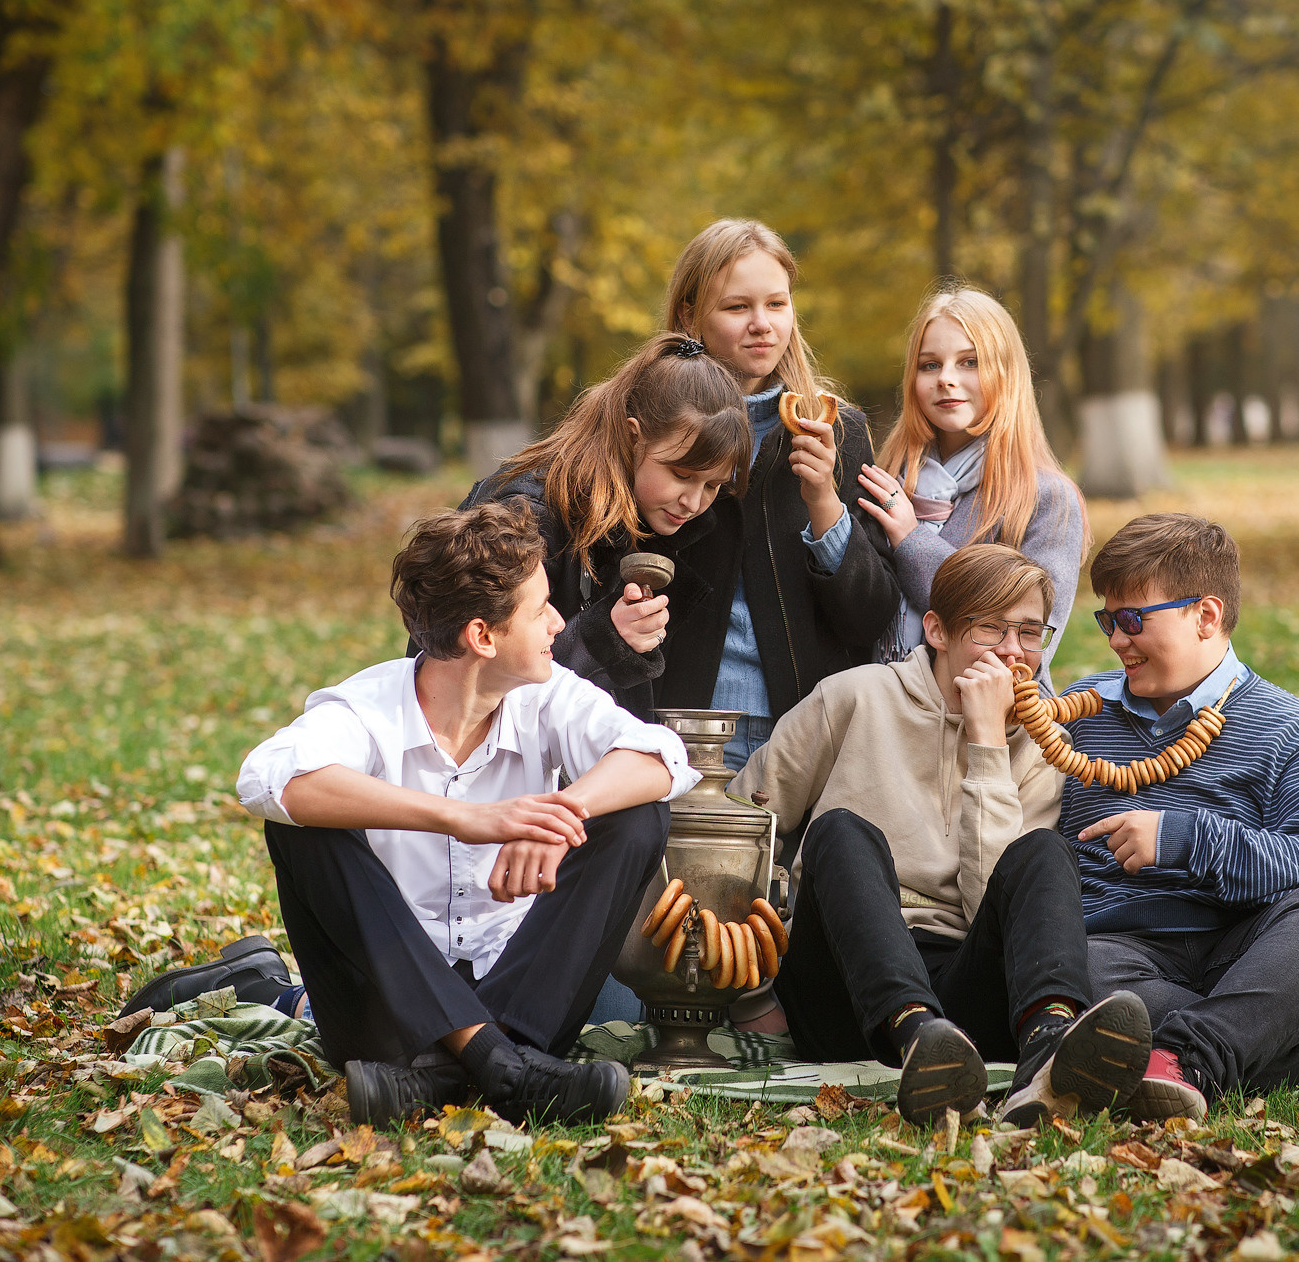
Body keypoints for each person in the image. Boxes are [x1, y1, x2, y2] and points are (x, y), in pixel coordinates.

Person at [234, 502, 702, 1127]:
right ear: (483, 636)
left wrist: (563, 813)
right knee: (304, 827)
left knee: (636, 815)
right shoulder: (369, 705)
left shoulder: (548, 695)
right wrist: (463, 819)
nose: (559, 623)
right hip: (384, 1020)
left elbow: (663, 757)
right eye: (540, 610)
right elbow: (269, 777)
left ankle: (458, 1073)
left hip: (525, 1006)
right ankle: (506, 1070)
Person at [730, 544, 1154, 1128]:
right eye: (990, 628)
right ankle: (918, 1038)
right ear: (937, 630)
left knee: (1044, 852)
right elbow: (741, 831)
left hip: (965, 980)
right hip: (845, 985)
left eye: (1029, 633)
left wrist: (987, 746)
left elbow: (991, 900)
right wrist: (749, 993)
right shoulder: (855, 697)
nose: (1012, 652)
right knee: (841, 832)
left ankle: (1053, 1046)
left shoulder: (1038, 746)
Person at [1057, 512, 1299, 1119]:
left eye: (1132, 620)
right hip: (1123, 956)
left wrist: (1186, 839)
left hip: (1256, 954)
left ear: (1205, 615)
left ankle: (1189, 1053)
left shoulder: (1292, 728)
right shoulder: (1079, 714)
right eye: (1107, 620)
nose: (1116, 640)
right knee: (1074, 976)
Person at [661, 219, 902, 772]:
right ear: (687, 315)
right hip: (676, 726)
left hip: (803, 732)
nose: (762, 325)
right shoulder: (654, 424)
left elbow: (870, 617)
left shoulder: (836, 430)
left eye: (777, 304)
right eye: (737, 307)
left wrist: (823, 503)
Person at [459, 334, 751, 719]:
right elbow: (473, 671)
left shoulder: (646, 515)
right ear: (633, 436)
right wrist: (607, 637)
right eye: (682, 474)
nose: (694, 503)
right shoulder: (526, 513)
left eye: (713, 485)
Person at [855, 287, 1087, 691]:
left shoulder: (1048, 499)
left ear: (1006, 373)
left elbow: (1025, 642)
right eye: (930, 365)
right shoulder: (887, 481)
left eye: (969, 362)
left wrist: (911, 539)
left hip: (993, 726)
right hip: (883, 716)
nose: (946, 379)